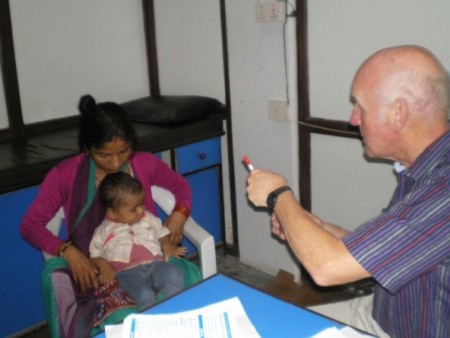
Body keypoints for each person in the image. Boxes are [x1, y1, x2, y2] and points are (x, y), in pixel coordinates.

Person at [246, 45, 449, 338]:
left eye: (361, 107)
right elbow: (376, 251)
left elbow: (327, 268)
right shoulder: (421, 168)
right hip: (383, 313)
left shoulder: (443, 189)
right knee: (268, 324)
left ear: (398, 113)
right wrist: (315, 227)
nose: (353, 119)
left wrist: (278, 193)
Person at [20, 94, 192, 337]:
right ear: (87, 147)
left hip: (149, 257)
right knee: (112, 313)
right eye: (103, 155)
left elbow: (180, 187)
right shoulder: (65, 175)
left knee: (184, 285)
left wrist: (179, 214)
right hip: (94, 261)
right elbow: (30, 225)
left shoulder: (143, 163)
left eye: (124, 152)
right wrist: (68, 251)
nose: (115, 163)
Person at [90, 172, 186, 311]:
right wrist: (103, 265)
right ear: (112, 213)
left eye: (142, 204)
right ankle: (151, 324)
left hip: (155, 265)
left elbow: (161, 232)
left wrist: (166, 245)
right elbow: (94, 254)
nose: (141, 210)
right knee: (144, 295)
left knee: (174, 273)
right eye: (134, 209)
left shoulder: (148, 218)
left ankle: (174, 311)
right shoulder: (102, 231)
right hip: (128, 273)